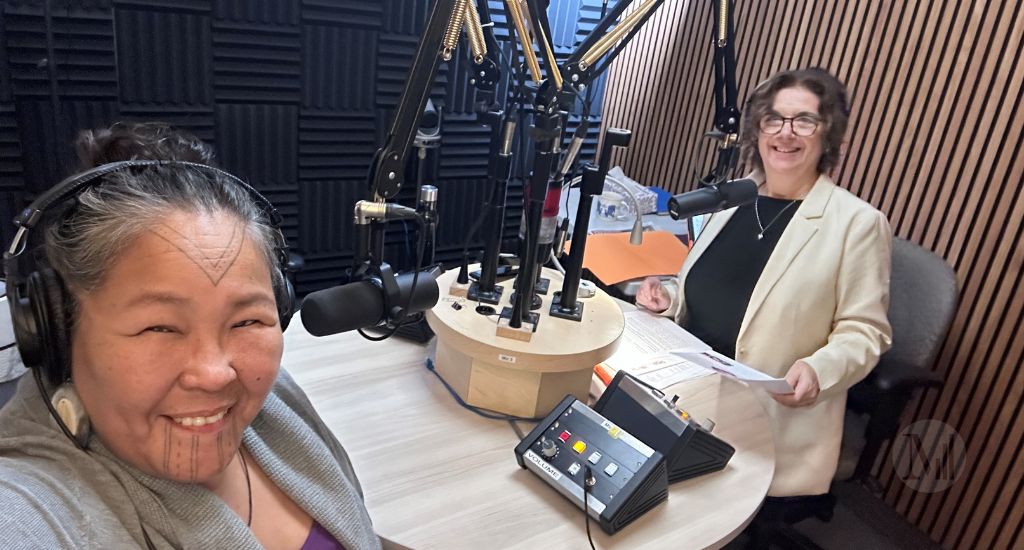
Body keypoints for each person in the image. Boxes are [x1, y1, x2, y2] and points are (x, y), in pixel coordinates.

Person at [0, 123, 382, 549]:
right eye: (160, 327)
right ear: (56, 330)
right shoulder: (32, 505)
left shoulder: (277, 403)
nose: (215, 374)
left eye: (246, 322)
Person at [636, 68, 893, 498]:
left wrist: (820, 369)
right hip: (689, 387)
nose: (785, 133)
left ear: (828, 134)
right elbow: (706, 285)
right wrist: (669, 298)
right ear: (758, 129)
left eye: (804, 120)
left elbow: (865, 331)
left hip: (767, 417)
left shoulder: (858, 224)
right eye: (773, 119)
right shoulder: (735, 196)